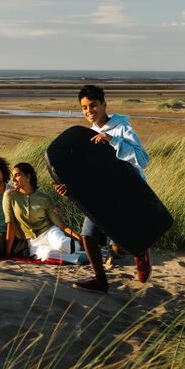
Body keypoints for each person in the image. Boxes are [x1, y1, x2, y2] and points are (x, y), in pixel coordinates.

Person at [55, 84, 152, 294]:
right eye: (84, 108)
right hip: (101, 195)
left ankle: (141, 250)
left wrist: (113, 140)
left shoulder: (121, 128)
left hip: (127, 193)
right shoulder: (88, 135)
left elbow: (143, 160)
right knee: (88, 237)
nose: (89, 111)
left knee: (119, 247)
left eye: (93, 105)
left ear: (104, 104)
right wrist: (69, 188)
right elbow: (89, 173)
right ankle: (100, 280)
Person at [3, 162, 84, 263]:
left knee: (61, 244)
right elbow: (11, 225)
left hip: (49, 232)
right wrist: (7, 254)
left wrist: (79, 238)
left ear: (28, 177)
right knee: (47, 255)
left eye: (17, 175)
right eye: (12, 176)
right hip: (33, 241)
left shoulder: (45, 198)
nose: (13, 179)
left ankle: (92, 252)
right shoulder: (10, 196)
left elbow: (60, 224)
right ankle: (87, 257)